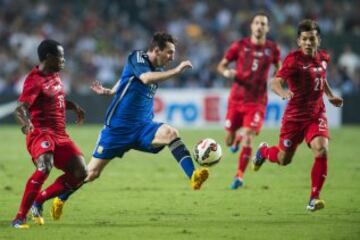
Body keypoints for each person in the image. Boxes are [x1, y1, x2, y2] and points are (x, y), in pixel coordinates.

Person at [50, 32, 209, 220]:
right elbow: (144, 78)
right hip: (117, 130)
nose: (172, 57)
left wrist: (111, 91)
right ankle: (60, 199)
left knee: (170, 132)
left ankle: (193, 176)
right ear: (156, 50)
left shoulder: (154, 70)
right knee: (91, 173)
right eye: (169, 52)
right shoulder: (137, 57)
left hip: (143, 127)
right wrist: (176, 71)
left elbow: (126, 79)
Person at [252, 19, 343, 211]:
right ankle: (264, 152)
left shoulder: (324, 57)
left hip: (316, 114)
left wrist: (330, 95)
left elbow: (322, 78)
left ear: (318, 39)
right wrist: (283, 92)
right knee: (285, 159)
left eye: (312, 39)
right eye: (305, 39)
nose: (309, 43)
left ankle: (313, 199)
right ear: (298, 41)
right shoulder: (293, 60)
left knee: (322, 149)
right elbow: (275, 82)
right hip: (294, 118)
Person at [12, 39, 87, 228]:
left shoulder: (55, 75)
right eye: (60, 57)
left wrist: (73, 107)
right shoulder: (34, 80)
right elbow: (21, 108)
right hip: (40, 132)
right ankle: (19, 218)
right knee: (45, 166)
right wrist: (27, 124)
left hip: (60, 134)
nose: (63, 61)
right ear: (49, 57)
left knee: (80, 173)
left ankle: (38, 200)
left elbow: (56, 99)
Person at [217, 12, 281, 189]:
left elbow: (279, 67)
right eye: (257, 23)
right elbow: (221, 65)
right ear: (251, 26)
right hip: (236, 99)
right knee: (229, 140)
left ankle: (239, 176)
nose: (260, 26)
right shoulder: (239, 46)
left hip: (256, 101)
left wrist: (277, 77)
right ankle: (236, 138)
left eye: (263, 23)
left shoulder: (272, 49)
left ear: (267, 28)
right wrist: (226, 72)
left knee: (248, 137)